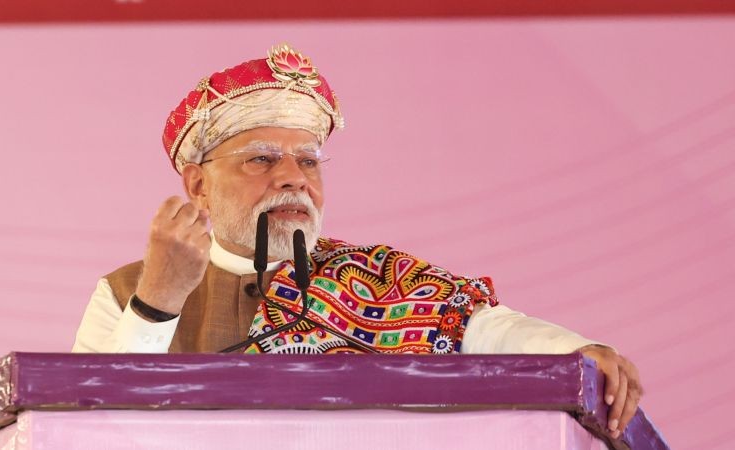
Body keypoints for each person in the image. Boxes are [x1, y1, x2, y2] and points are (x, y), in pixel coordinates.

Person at [72, 44, 642, 439]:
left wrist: (580, 352)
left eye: (308, 161)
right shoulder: (125, 291)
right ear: (198, 185)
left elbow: (488, 329)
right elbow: (83, 431)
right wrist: (157, 304)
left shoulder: (376, 279)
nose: (293, 178)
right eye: (262, 159)